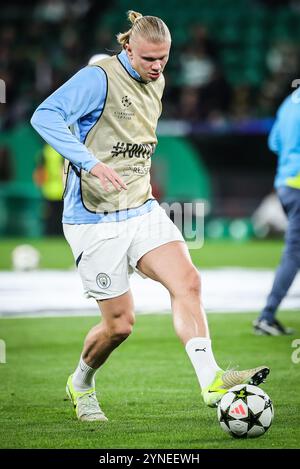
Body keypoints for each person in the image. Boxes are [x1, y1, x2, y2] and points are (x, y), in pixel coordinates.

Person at [31, 10, 269, 422]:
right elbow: (44, 116)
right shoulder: (98, 78)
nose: (157, 67)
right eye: (148, 59)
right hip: (94, 217)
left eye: (163, 58)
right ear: (127, 48)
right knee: (120, 325)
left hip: (140, 208)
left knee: (188, 281)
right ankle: (81, 383)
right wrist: (89, 163)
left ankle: (212, 379)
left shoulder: (156, 79)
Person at [253, 90, 300, 336]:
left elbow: (274, 142)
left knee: (294, 251)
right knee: (294, 252)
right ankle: (267, 315)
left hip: (286, 182)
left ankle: (268, 316)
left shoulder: (290, 101)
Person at [33, 143, 64, 235]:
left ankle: (50, 234)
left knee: (49, 215)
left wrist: (39, 185)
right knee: (60, 216)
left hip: (48, 190)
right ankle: (58, 234)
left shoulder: (44, 150)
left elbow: (39, 171)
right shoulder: (62, 148)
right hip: (61, 189)